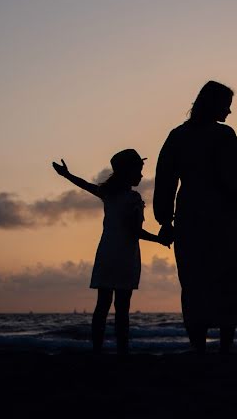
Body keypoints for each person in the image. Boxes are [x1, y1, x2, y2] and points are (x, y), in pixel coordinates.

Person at [152, 80, 237, 353]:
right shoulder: (222, 136)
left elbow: (165, 182)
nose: (228, 112)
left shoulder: (178, 136)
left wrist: (165, 222)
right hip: (220, 219)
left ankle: (199, 349)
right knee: (226, 279)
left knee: (195, 283)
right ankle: (225, 348)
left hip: (193, 219)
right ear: (214, 104)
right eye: (226, 106)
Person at [52, 150, 165, 354]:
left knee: (101, 306)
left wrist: (66, 175)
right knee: (122, 309)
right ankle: (122, 351)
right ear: (127, 172)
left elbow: (86, 186)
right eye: (138, 170)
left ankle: (97, 351)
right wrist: (159, 239)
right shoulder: (132, 198)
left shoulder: (108, 193)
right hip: (124, 257)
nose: (141, 175)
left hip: (106, 253)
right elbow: (134, 231)